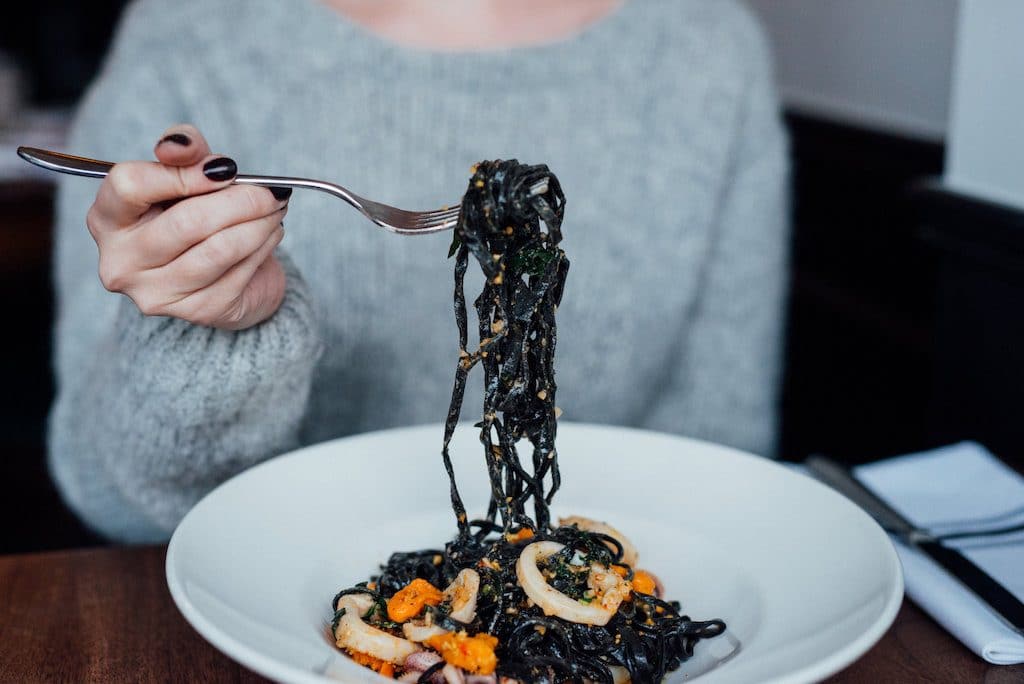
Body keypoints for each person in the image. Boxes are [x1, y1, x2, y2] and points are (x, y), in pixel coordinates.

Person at [50, 0, 789, 542]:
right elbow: (109, 498)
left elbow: (720, 458)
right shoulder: (187, 35)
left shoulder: (709, 48)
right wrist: (207, 335)